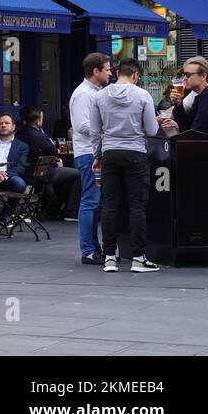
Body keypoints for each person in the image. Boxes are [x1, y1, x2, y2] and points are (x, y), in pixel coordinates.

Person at [88, 58, 161, 273]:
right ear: (136, 75)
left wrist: (97, 154)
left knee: (110, 205)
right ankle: (138, 257)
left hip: (110, 152)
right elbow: (151, 130)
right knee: (137, 206)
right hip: (136, 153)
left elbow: (95, 130)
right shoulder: (143, 95)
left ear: (117, 72)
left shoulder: (100, 96)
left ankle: (110, 256)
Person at [69, 52, 111, 266]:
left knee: (94, 202)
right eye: (107, 69)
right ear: (96, 71)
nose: (110, 73)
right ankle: (88, 250)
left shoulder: (96, 92)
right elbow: (82, 126)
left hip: (93, 152)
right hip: (88, 153)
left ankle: (94, 248)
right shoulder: (84, 94)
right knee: (90, 201)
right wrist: (107, 129)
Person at [16, 105, 81, 220]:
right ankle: (71, 211)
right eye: (42, 118)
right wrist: (56, 160)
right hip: (42, 173)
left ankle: (54, 207)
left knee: (67, 173)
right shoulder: (37, 135)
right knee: (78, 174)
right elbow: (53, 150)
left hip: (26, 171)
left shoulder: (19, 133)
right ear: (37, 121)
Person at [170, 56, 208, 135]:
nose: (184, 79)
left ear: (203, 76)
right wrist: (178, 103)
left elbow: (198, 130)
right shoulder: (200, 95)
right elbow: (186, 126)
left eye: (188, 75)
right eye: (184, 75)